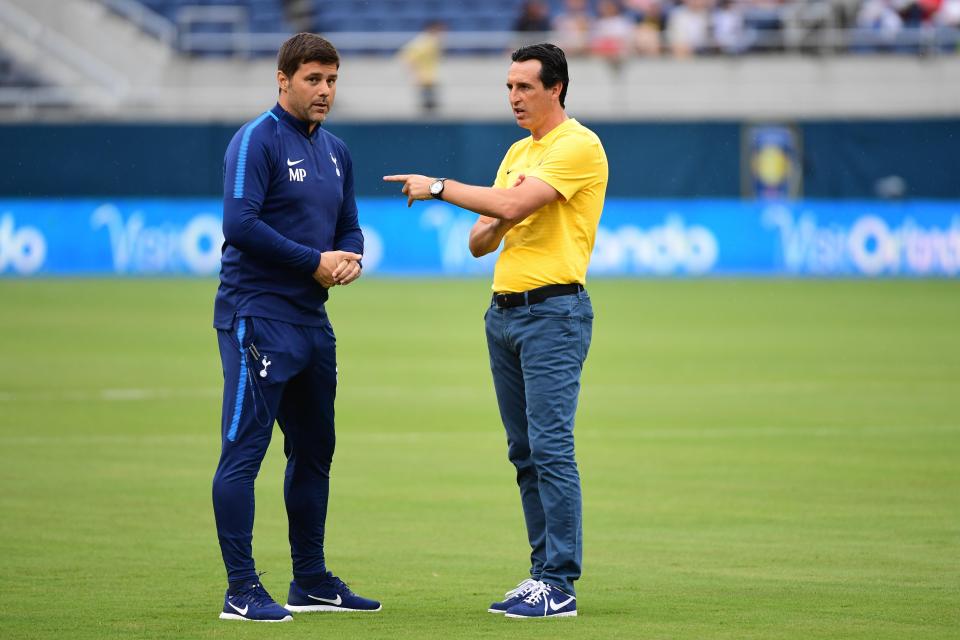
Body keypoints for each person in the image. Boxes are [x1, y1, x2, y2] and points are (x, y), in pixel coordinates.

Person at [384, 43, 607, 619]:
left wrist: (441, 188)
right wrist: (503, 212)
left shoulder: (578, 145)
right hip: (504, 313)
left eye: (524, 87)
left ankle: (560, 582)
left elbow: (506, 206)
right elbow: (480, 240)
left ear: (555, 88)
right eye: (509, 87)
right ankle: (540, 576)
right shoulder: (517, 152)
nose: (514, 97)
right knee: (524, 451)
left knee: (552, 446)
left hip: (554, 313)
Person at [211, 32, 380, 622]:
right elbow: (240, 223)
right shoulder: (255, 140)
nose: (325, 91)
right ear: (283, 80)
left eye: (332, 80)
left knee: (314, 453)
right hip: (256, 316)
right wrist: (314, 261)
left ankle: (309, 580)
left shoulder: (336, 149)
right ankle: (241, 589)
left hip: (312, 323)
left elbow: (350, 225)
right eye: (313, 79)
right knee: (244, 454)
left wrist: (348, 257)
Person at [398, 20, 445, 114]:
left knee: (431, 104)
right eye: (439, 30)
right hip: (423, 76)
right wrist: (415, 74)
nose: (442, 33)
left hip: (429, 75)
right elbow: (408, 58)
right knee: (427, 105)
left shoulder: (432, 42)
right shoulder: (423, 43)